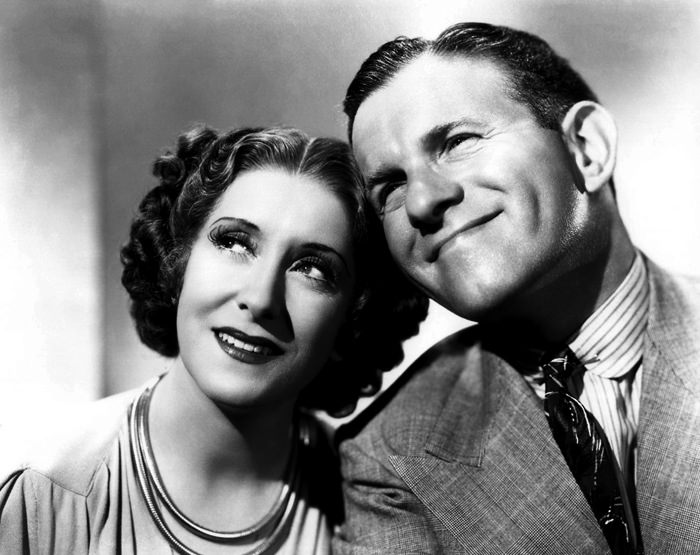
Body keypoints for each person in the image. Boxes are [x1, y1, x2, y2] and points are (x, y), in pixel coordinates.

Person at [333, 21, 700, 555]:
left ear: (587, 149)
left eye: (457, 142)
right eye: (390, 186)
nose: (422, 202)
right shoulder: (386, 460)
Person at [0, 125, 426, 554]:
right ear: (178, 260)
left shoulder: (368, 501)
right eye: (235, 243)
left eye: (312, 269)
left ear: (354, 315)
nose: (260, 298)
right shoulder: (47, 494)